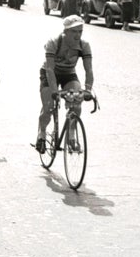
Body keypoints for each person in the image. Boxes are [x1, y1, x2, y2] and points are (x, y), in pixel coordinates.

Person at [36, 13, 96, 153]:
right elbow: (50, 69)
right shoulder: (54, 42)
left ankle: (71, 136)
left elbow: (89, 70)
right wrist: (54, 92)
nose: (77, 35)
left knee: (76, 101)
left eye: (80, 31)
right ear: (66, 31)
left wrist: (87, 90)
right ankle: (42, 134)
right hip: (50, 73)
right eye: (74, 31)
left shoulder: (84, 45)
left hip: (68, 74)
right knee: (48, 106)